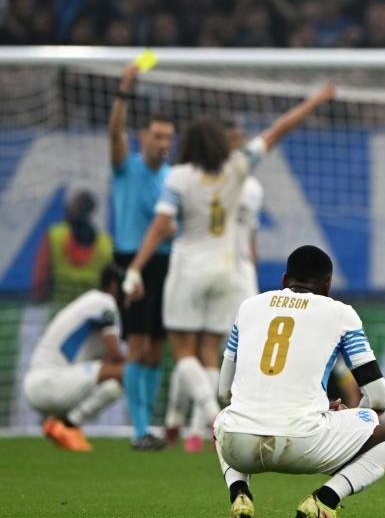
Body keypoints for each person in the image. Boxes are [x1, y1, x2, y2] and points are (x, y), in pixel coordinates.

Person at [124, 82, 335, 453]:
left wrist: (135, 268)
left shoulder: (179, 176)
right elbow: (278, 129)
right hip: (227, 270)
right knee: (209, 351)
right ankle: (200, 420)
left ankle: (211, 417)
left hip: (188, 269)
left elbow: (160, 225)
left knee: (183, 351)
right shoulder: (239, 167)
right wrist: (314, 100)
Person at [214, 245, 385, 518]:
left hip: (237, 446)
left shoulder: (249, 306)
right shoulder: (340, 313)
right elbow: (379, 399)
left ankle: (239, 494)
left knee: (223, 418)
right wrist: (353, 416)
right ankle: (326, 501)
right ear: (328, 286)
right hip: (304, 443)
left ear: (284, 280)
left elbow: (222, 392)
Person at [163, 119, 265, 451]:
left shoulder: (247, 183)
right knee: (201, 350)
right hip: (226, 271)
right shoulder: (236, 176)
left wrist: (253, 267)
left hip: (232, 273)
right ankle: (182, 422)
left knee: (203, 351)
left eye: (239, 139)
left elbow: (251, 235)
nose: (235, 145)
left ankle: (190, 423)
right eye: (230, 139)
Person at [109, 62, 176, 450]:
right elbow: (114, 132)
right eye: (157, 136)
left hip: (164, 263)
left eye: (168, 137)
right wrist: (124, 89)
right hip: (130, 260)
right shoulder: (127, 167)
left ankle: (148, 425)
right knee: (136, 345)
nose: (163, 143)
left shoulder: (172, 177)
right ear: (143, 138)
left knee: (155, 347)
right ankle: (137, 431)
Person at [23, 264, 126, 452]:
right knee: (127, 373)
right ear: (113, 286)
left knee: (112, 387)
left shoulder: (91, 302)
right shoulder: (104, 302)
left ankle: (62, 426)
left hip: (45, 383)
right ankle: (69, 424)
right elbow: (114, 352)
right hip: (49, 382)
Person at [32, 190, 114, 306]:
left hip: (59, 312)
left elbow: (40, 281)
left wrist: (40, 301)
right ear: (92, 211)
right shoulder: (106, 243)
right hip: (91, 313)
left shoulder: (54, 236)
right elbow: (110, 288)